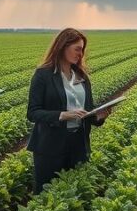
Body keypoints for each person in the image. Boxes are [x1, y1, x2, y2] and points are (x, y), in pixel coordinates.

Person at [27, 28, 111, 193]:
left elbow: (87, 111)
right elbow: (32, 112)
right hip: (50, 147)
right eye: (77, 49)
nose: (80, 54)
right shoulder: (43, 75)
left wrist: (99, 116)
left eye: (82, 50)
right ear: (63, 46)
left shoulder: (82, 76)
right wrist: (61, 115)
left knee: (75, 195)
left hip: (78, 145)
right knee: (47, 195)